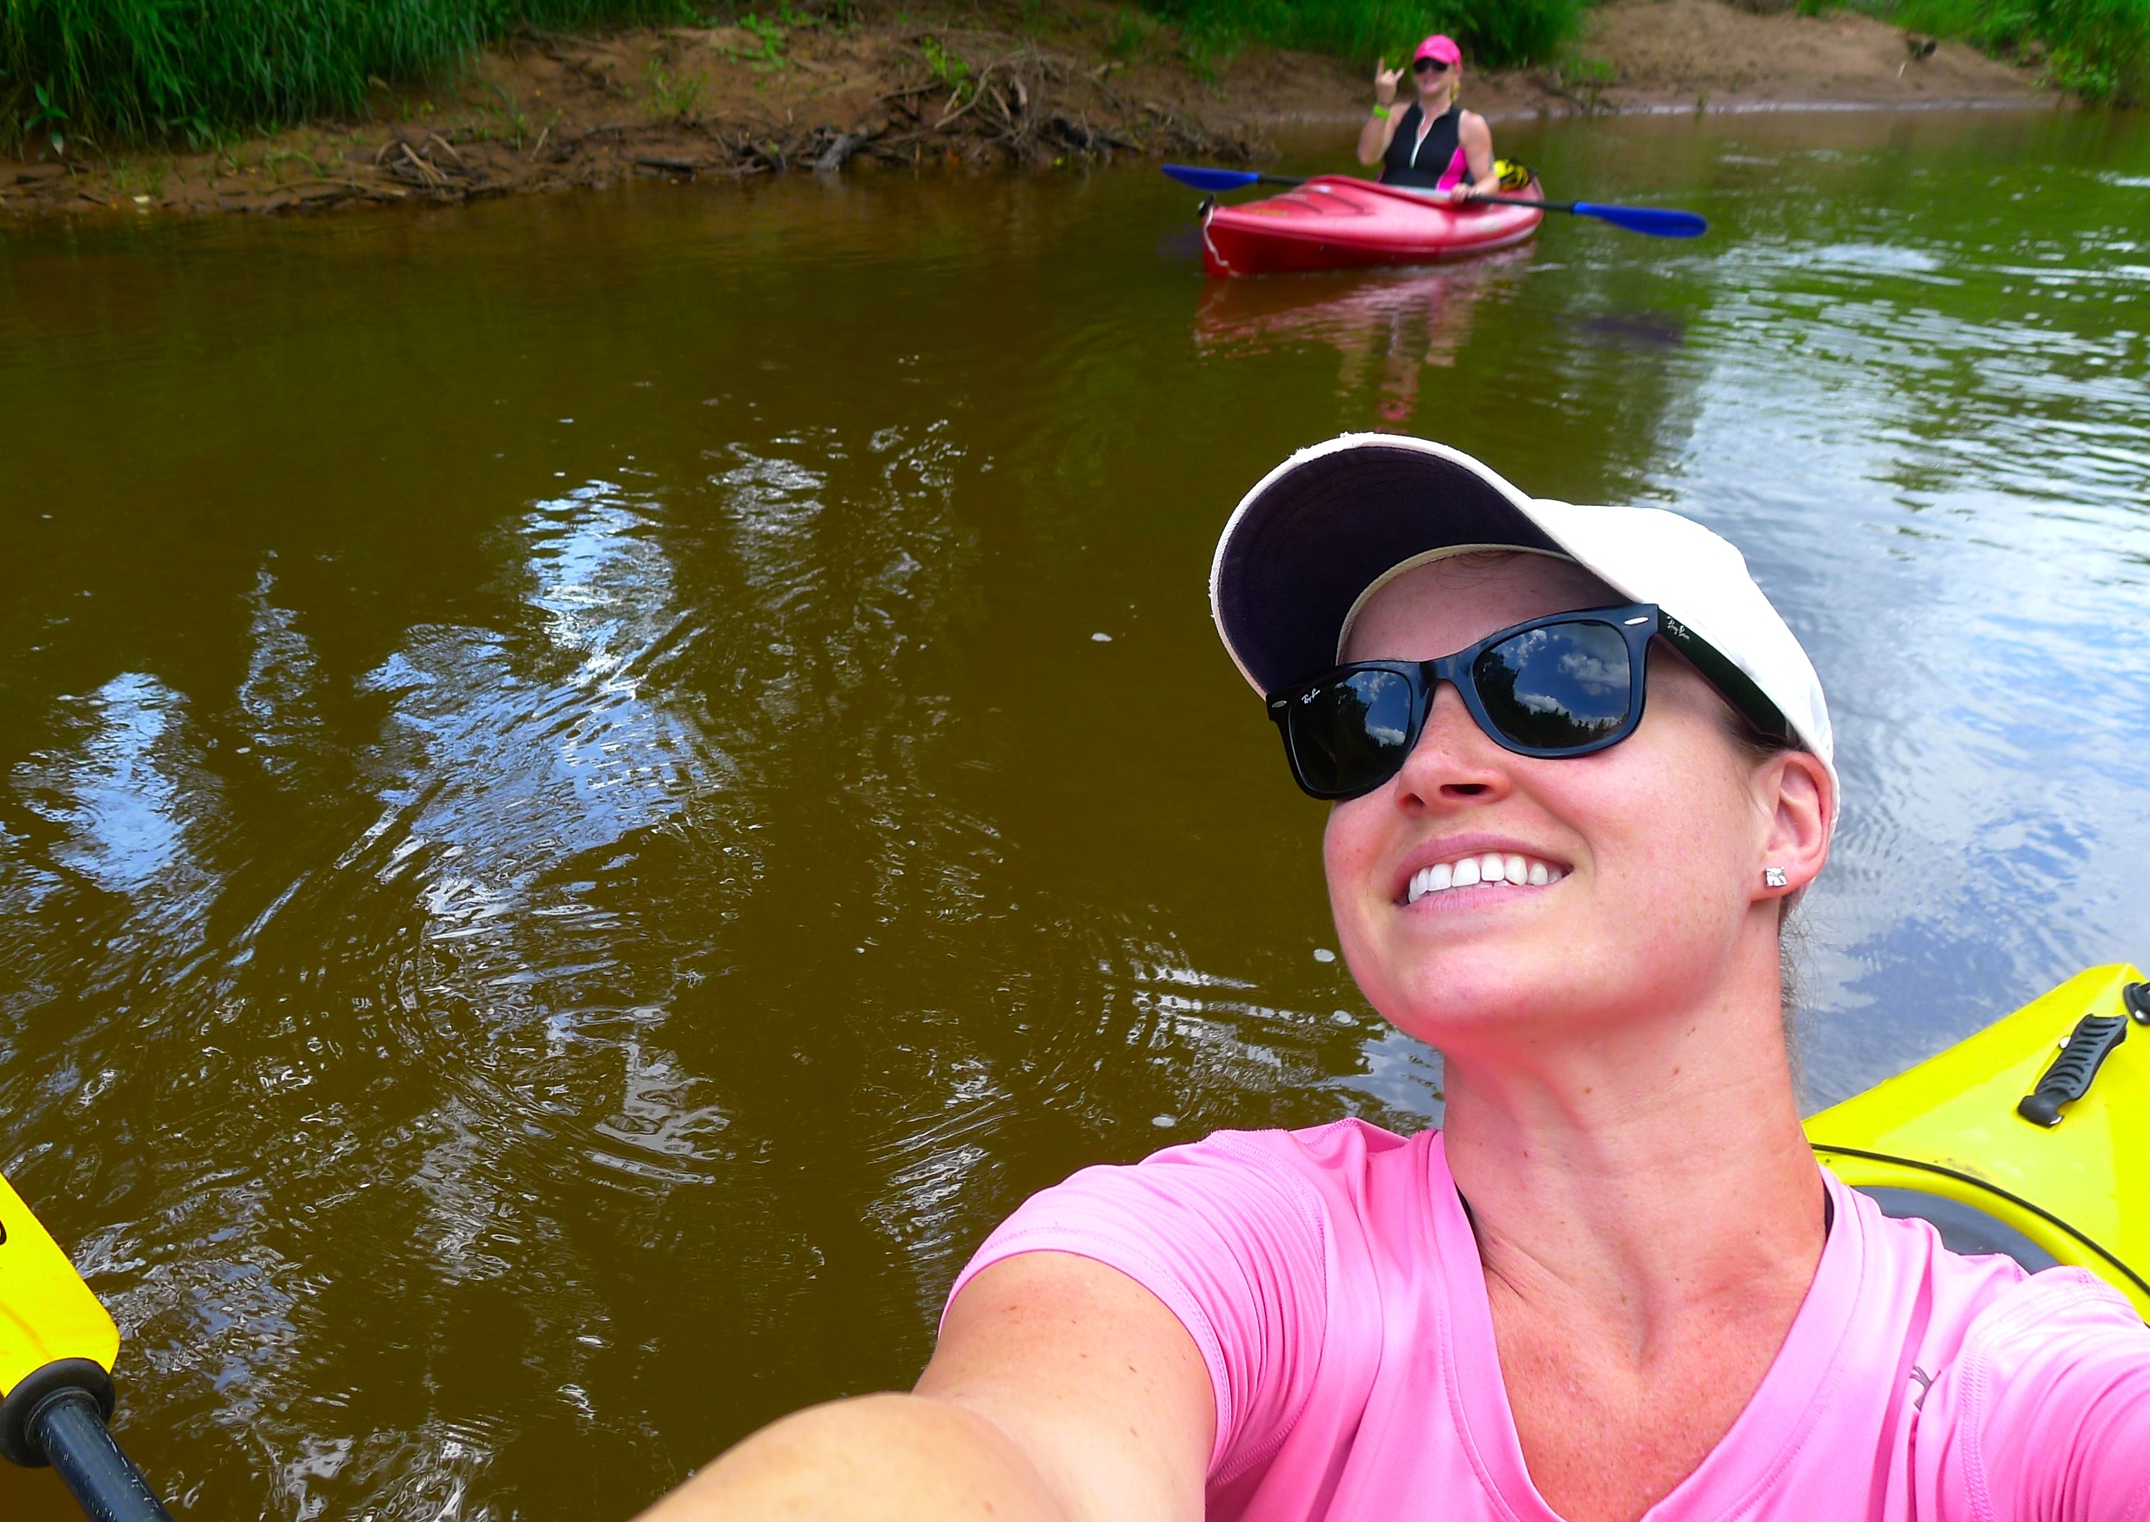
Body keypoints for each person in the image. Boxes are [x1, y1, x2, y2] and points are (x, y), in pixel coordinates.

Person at [640, 433, 2150, 1522]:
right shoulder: (1220, 1255)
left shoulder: (2020, 1404)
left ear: (1787, 821)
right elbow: (1009, 1459)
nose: (1427, 765)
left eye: (1557, 681)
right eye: (1358, 722)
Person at [1356, 34, 1496, 202]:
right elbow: (1367, 158)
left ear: (1456, 72)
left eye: (1439, 65)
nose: (1428, 72)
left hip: (1437, 211)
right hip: (1386, 207)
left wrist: (1472, 191)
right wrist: (1383, 102)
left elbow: (1490, 180)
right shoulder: (1395, 114)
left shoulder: (1470, 125)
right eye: (1421, 66)